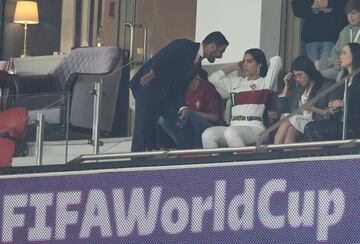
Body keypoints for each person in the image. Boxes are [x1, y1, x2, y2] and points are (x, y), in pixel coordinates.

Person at [130, 31, 229, 152]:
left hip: (165, 97)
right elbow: (163, 57)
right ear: (212, 46)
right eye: (221, 51)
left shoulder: (197, 65)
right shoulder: (184, 45)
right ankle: (135, 166)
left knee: (184, 126)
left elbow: (181, 89)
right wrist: (153, 73)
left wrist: (182, 106)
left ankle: (183, 162)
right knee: (142, 131)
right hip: (148, 89)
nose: (220, 56)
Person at [202, 49, 282, 148]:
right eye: (244, 61)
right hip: (234, 126)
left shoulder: (264, 83)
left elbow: (277, 60)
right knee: (208, 134)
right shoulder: (235, 82)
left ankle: (243, 163)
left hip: (256, 128)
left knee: (231, 133)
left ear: (259, 65)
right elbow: (212, 79)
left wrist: (268, 66)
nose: (245, 65)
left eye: (249, 61)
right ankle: (219, 163)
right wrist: (234, 67)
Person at [274, 56, 338, 144]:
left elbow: (333, 114)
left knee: (287, 119)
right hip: (300, 124)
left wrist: (311, 108)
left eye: (300, 75)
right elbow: (284, 110)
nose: (298, 79)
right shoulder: (300, 88)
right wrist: (286, 87)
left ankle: (273, 151)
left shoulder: (327, 85)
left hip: (317, 125)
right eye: (296, 76)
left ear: (308, 71)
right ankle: (285, 156)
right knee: (290, 130)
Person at [304, 42, 360, 141]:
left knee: (312, 129)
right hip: (342, 123)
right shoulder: (344, 79)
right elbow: (337, 103)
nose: (340, 57)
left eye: (344, 53)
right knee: (309, 127)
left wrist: (343, 104)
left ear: (355, 55)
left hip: (355, 125)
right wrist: (333, 106)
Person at [158, 69, 222, 148]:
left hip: (209, 126)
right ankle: (182, 146)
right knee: (163, 119)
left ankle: (188, 147)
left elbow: (215, 117)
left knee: (187, 116)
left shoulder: (207, 88)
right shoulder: (181, 90)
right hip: (188, 124)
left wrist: (191, 112)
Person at [292, 0, 347, 69]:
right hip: (311, 37)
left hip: (331, 35)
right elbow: (296, 9)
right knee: (314, 71)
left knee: (323, 70)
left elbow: (347, 4)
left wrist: (329, 3)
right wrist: (314, 6)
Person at [322, 0, 360, 80]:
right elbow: (334, 52)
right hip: (342, 69)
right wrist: (336, 61)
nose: (350, 16)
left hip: (357, 70)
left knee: (341, 78)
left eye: (353, 13)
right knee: (319, 76)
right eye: (348, 14)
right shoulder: (345, 31)